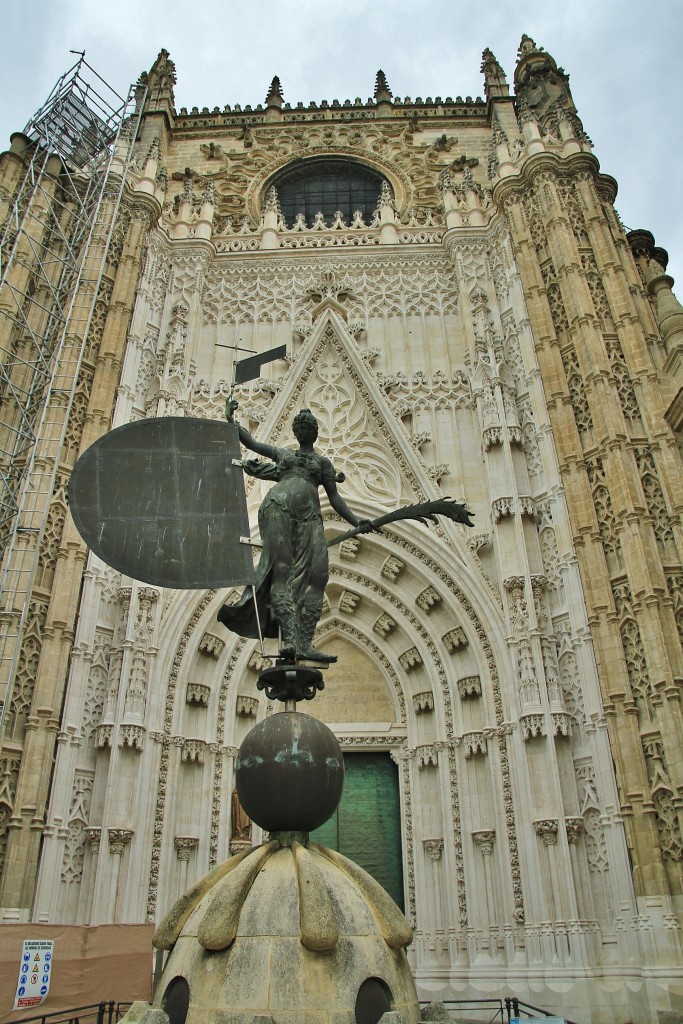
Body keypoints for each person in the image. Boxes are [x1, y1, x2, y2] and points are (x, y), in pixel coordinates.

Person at [218, 400, 371, 662]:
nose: (303, 431)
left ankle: (305, 643)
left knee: (319, 575)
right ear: (296, 433)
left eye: (307, 427)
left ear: (314, 432)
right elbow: (253, 444)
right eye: (299, 427)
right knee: (281, 573)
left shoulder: (323, 464)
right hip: (278, 508)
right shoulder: (284, 455)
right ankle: (290, 640)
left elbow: (334, 498)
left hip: (310, 518)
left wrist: (356, 522)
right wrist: (233, 422)